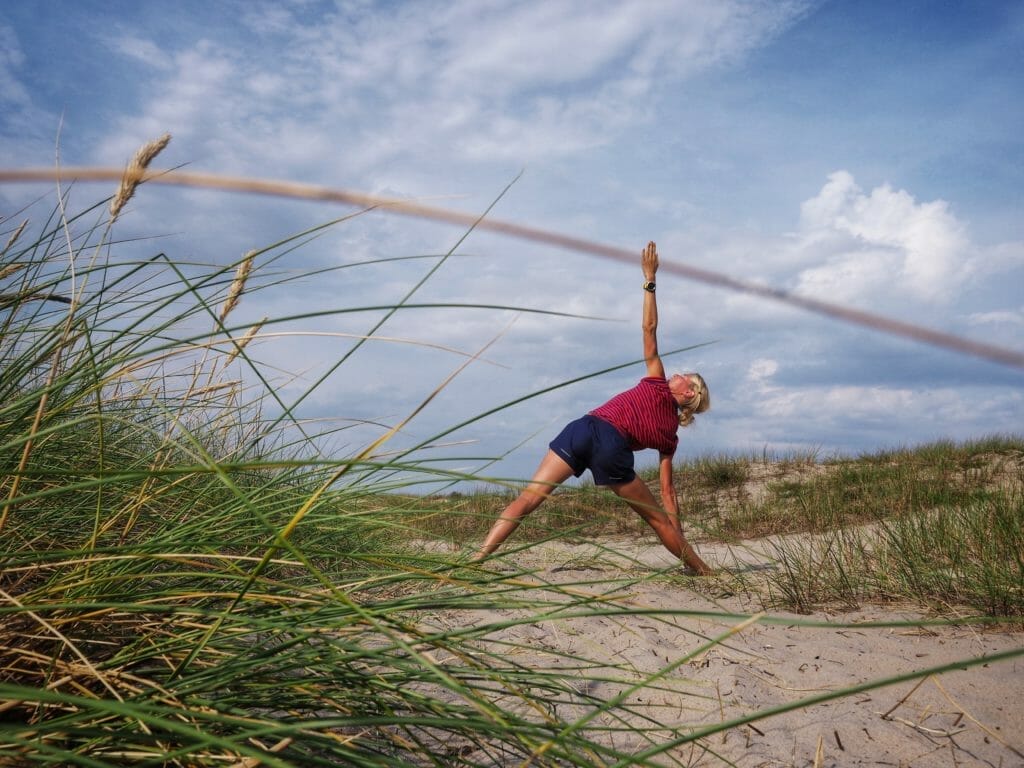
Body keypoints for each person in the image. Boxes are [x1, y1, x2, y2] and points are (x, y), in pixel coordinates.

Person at [473, 241, 713, 574]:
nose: (678, 374)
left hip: (585, 429)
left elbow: (649, 329)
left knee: (529, 499)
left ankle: (477, 559)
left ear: (689, 395)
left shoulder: (660, 391)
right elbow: (667, 496)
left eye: (686, 378)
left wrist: (649, 280)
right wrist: (678, 534)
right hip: (597, 434)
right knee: (658, 521)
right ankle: (700, 569)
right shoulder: (668, 432)